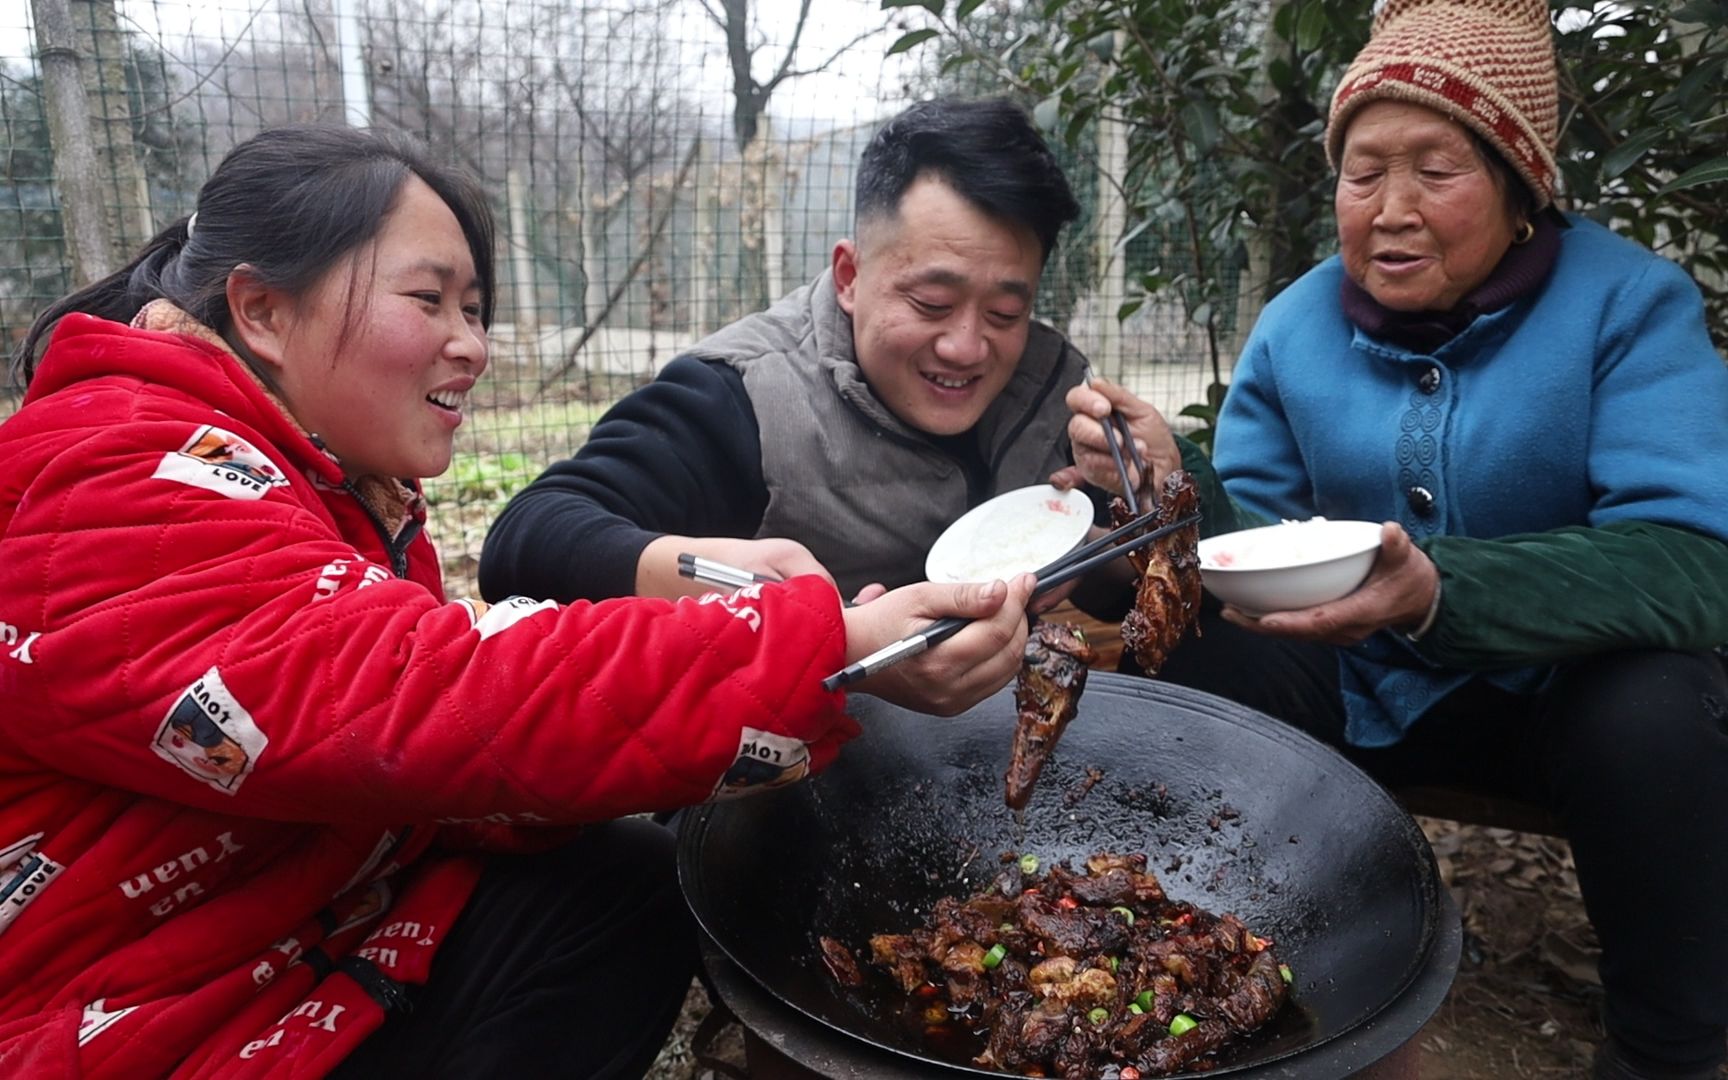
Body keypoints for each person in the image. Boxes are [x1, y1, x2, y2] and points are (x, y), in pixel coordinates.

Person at [0, 124, 1036, 1078]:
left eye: (476, 309)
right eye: (430, 300)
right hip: (121, 1015)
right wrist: (810, 639)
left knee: (619, 879)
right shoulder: (113, 469)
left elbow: (423, 747)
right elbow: (437, 673)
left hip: (280, 933)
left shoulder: (327, 486)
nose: (473, 344)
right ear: (263, 309)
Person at [1063, 2, 1728, 1078]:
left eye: (1437, 170)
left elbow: (1696, 560)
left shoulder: (1629, 308)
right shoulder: (1298, 325)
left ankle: (1670, 1049)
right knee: (1201, 651)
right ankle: (1205, 991)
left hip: (1555, 702)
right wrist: (1174, 494)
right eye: (1363, 172)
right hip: (1354, 689)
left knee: (1658, 702)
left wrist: (1436, 590)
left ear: (1521, 190)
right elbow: (1256, 555)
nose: (1392, 211)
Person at [478, 96, 1093, 608]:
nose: (966, 348)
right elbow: (525, 543)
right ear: (849, 276)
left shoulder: (1053, 384)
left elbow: (1119, 592)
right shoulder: (741, 396)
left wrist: (1147, 497)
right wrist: (754, 590)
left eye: (1005, 313)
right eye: (932, 302)